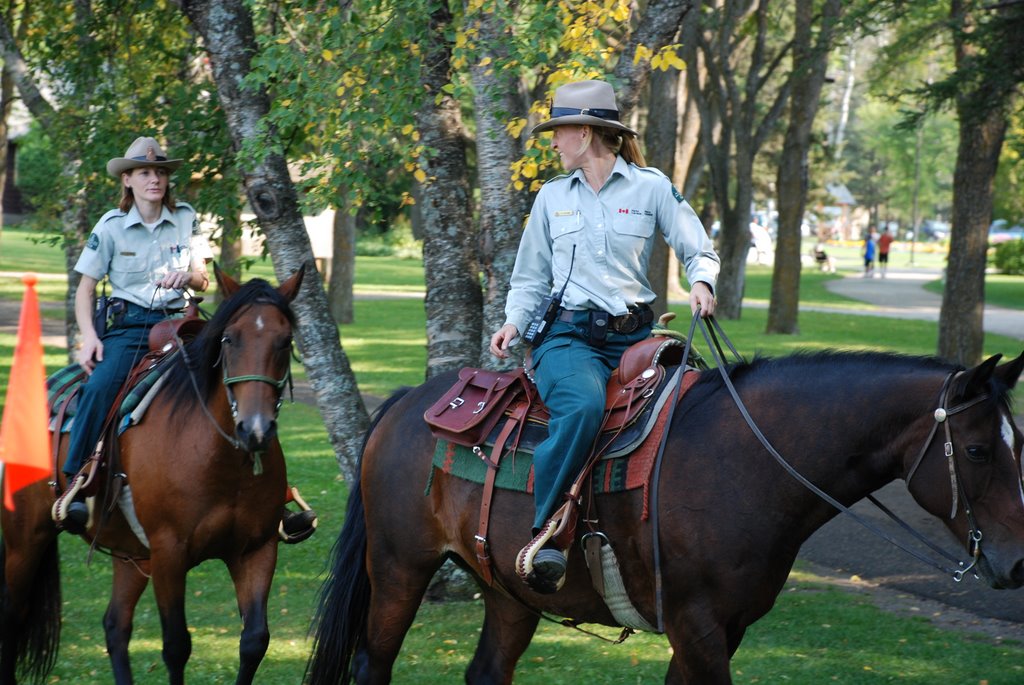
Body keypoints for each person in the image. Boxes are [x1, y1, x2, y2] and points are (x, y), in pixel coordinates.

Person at [489, 80, 720, 593]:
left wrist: (701, 281)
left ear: (587, 132)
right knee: (584, 406)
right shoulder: (551, 197)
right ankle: (547, 533)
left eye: (559, 132)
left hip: (636, 336)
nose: (552, 142)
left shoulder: (651, 187)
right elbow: (530, 278)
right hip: (568, 338)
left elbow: (695, 244)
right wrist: (513, 323)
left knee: (700, 408)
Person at [60, 137, 316, 542]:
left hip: (182, 324)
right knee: (100, 386)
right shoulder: (109, 227)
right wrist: (90, 337)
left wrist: (189, 277)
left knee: (243, 379)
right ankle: (75, 483)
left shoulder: (186, 217)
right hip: (129, 330)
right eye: (144, 172)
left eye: (160, 172)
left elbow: (202, 276)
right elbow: (84, 290)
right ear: (127, 179)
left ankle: (274, 497)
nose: (154, 180)